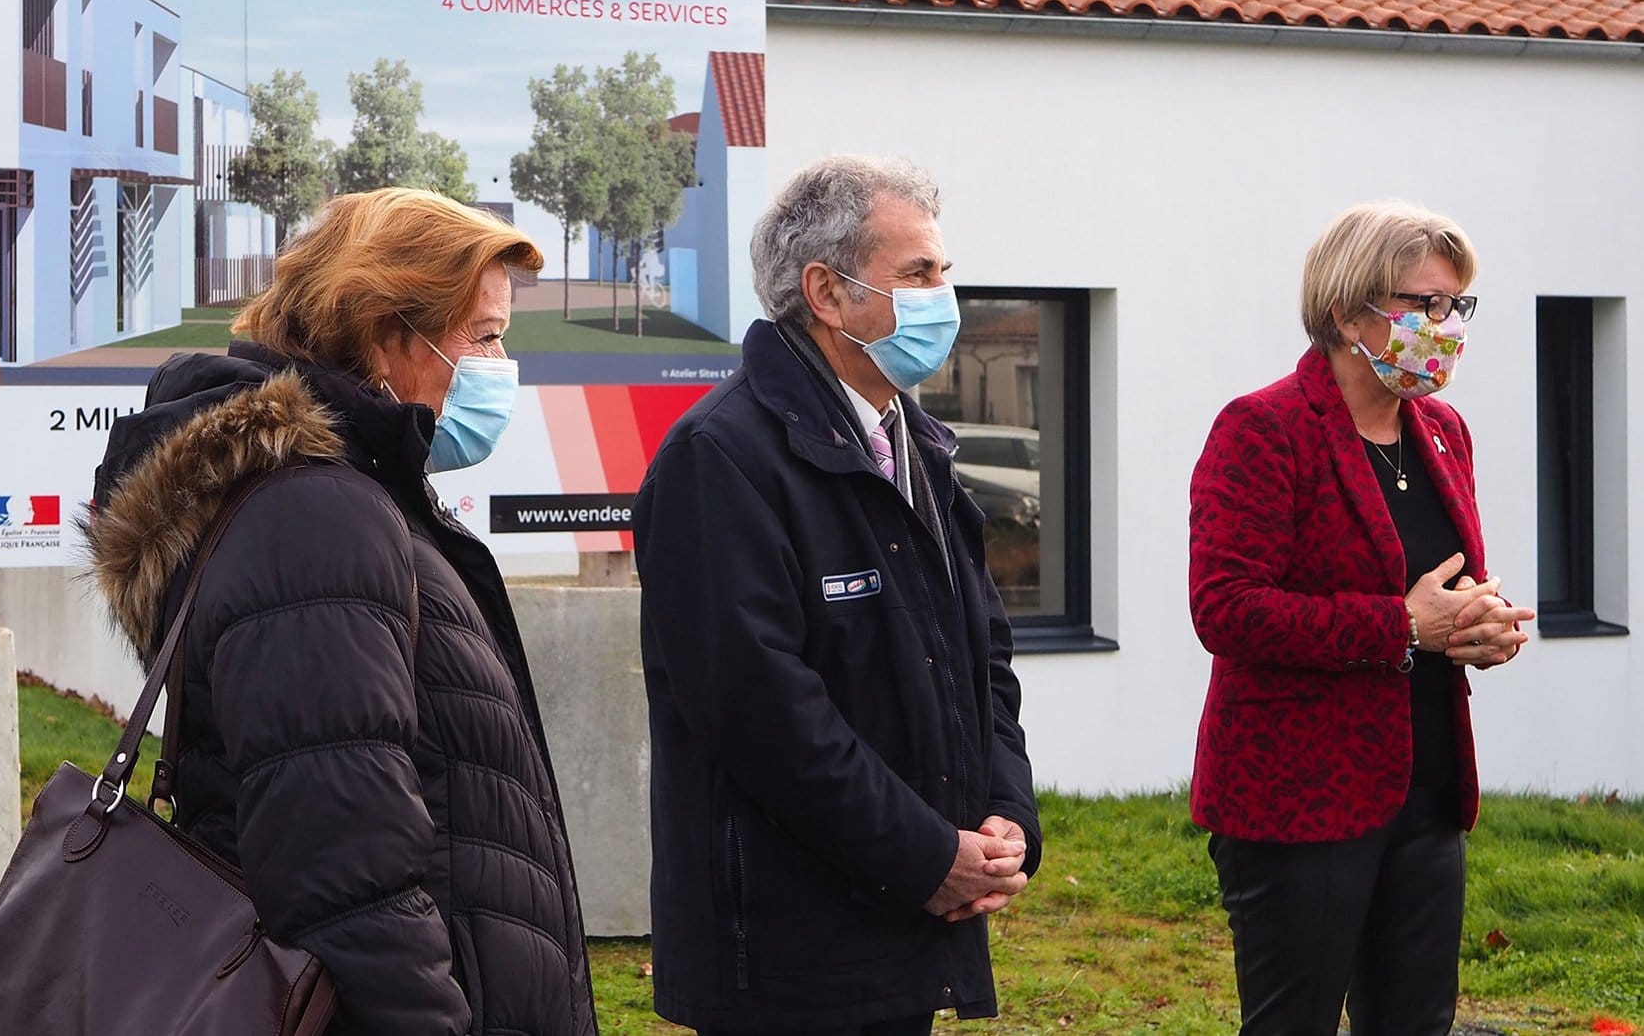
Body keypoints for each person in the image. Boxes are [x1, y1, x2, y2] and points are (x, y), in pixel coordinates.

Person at [84, 188, 596, 1035]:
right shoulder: (314, 519)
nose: (505, 367)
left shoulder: (353, 497)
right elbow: (344, 874)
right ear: (387, 333)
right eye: (488, 337)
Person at [634, 155, 1042, 1036]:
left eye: (945, 271)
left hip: (903, 922)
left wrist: (1007, 816)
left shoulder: (918, 445)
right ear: (826, 291)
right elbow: (765, 714)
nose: (945, 297)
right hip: (788, 954)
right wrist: (929, 855)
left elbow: (983, 662)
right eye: (918, 274)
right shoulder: (722, 458)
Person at [1188, 200, 1535, 1036]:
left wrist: (1476, 629)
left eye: (1455, 305)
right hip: (1299, 797)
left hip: (1426, 791)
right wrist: (1403, 628)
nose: (1445, 326)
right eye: (1422, 305)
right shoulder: (1263, 429)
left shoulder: (1444, 432)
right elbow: (1225, 608)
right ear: (1348, 313)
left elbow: (1440, 592)